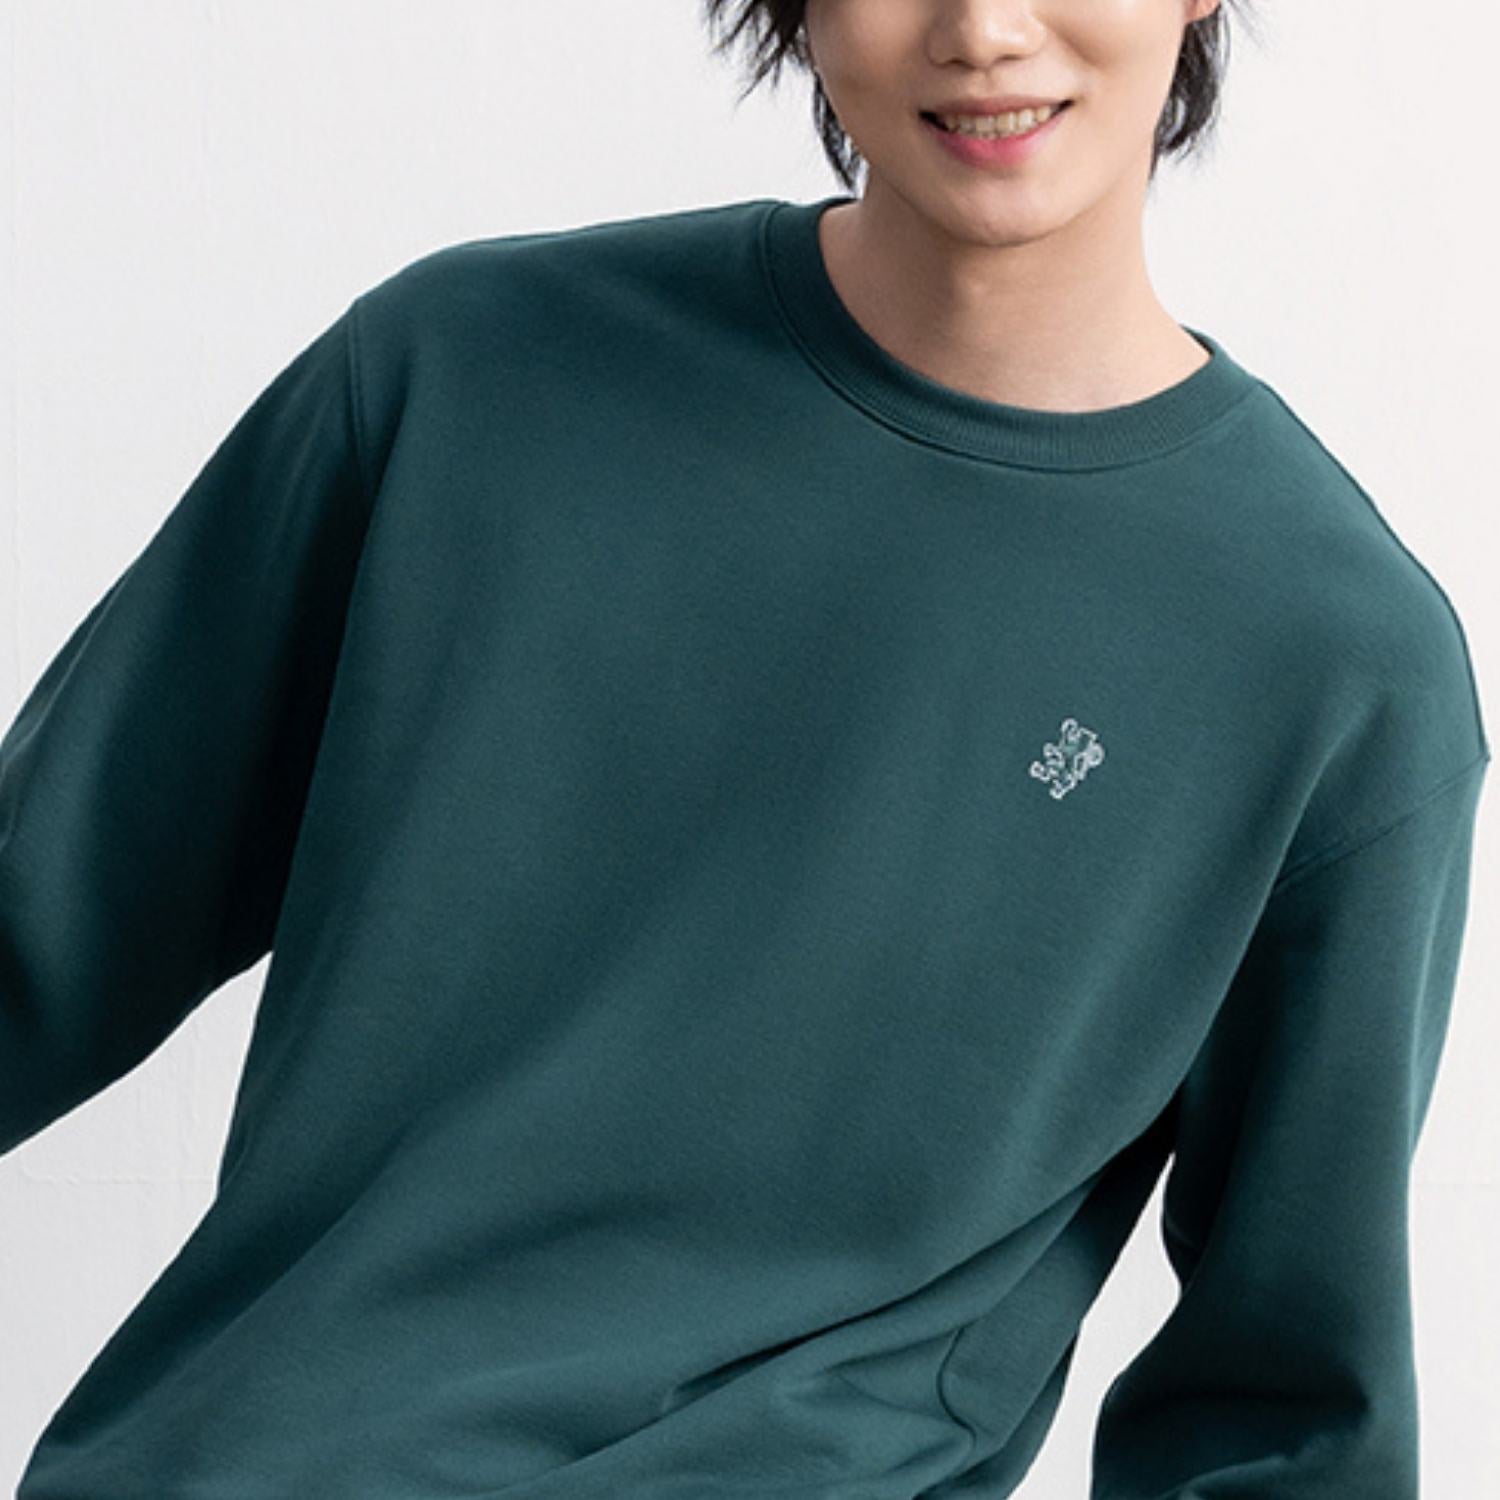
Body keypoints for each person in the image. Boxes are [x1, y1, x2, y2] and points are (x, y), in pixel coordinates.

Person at [2, 2, 1487, 1496]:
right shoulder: (462, 375)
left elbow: (1290, 1423)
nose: (984, 30)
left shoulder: (1335, 667)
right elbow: (44, 919)